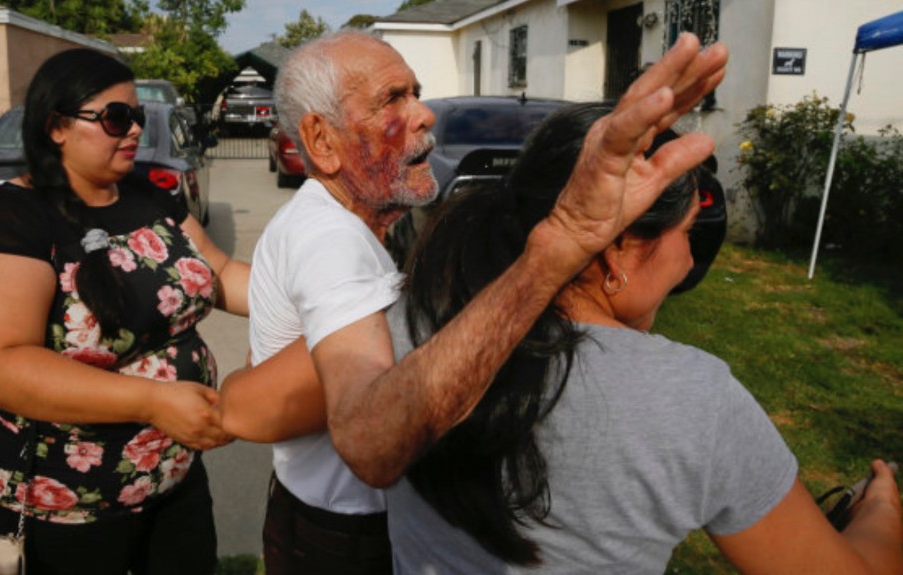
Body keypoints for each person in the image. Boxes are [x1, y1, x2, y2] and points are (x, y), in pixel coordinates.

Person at [216, 29, 727, 574]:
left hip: (316, 516)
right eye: (393, 99)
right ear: (321, 141)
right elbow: (363, 433)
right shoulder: (333, 242)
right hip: (346, 536)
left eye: (416, 92)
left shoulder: (325, 221)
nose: (424, 114)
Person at [385, 102, 903, 574]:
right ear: (618, 251)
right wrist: (880, 511)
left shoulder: (413, 323)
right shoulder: (693, 398)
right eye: (685, 234)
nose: (687, 260)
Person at [0, 48, 248, 574]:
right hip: (58, 508)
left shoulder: (148, 195)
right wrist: (154, 402)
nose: (134, 132)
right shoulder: (4, 220)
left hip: (169, 480)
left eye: (137, 118)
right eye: (116, 117)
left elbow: (219, 274)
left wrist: (313, 298)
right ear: (57, 126)